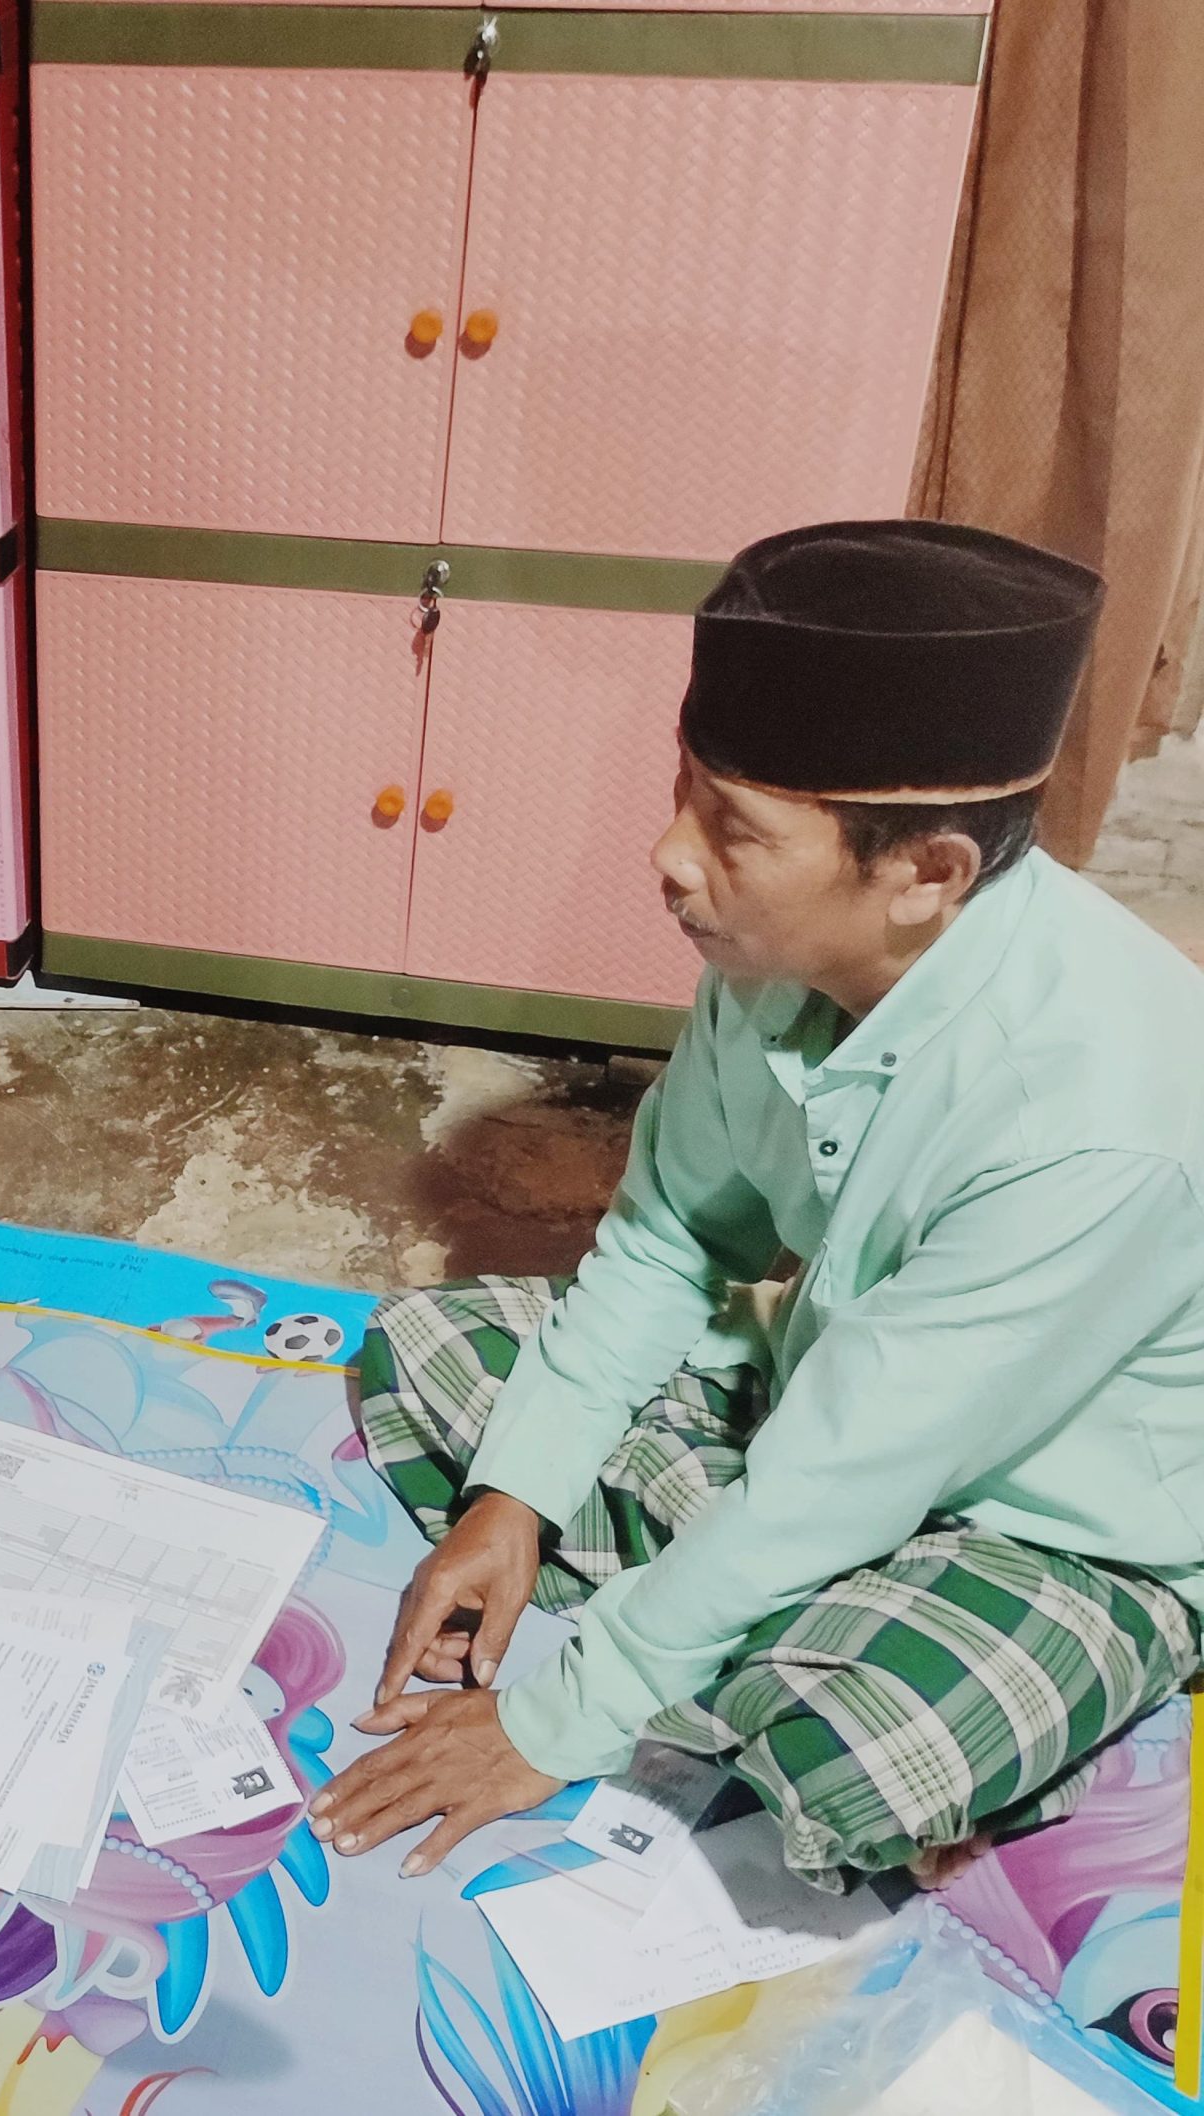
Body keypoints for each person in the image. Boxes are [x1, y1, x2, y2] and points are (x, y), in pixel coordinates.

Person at [310, 520, 1204, 1890]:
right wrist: (514, 1500)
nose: (670, 856)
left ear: (927, 875)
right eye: (684, 795)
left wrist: (557, 1718)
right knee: (432, 1349)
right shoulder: (770, 956)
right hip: (825, 1410)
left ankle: (863, 1638)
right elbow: (669, 1238)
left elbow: (853, 1467)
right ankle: (756, 1622)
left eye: (733, 832)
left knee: (857, 1758)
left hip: (1059, 1531)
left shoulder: (1098, 1122)